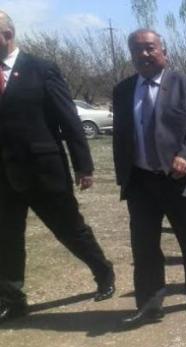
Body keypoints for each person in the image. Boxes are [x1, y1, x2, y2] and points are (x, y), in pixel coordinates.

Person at [0, 11, 115, 324]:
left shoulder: (41, 68)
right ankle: (12, 299)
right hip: (4, 176)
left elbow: (68, 118)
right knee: (6, 238)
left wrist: (83, 165)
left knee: (69, 229)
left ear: (7, 35)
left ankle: (103, 270)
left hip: (43, 170)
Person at [112, 29, 186, 327]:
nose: (143, 54)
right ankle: (150, 303)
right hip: (141, 181)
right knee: (144, 246)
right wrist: (123, 175)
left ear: (163, 52)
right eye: (136, 49)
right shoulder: (123, 90)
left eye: (150, 48)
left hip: (181, 179)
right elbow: (121, 136)